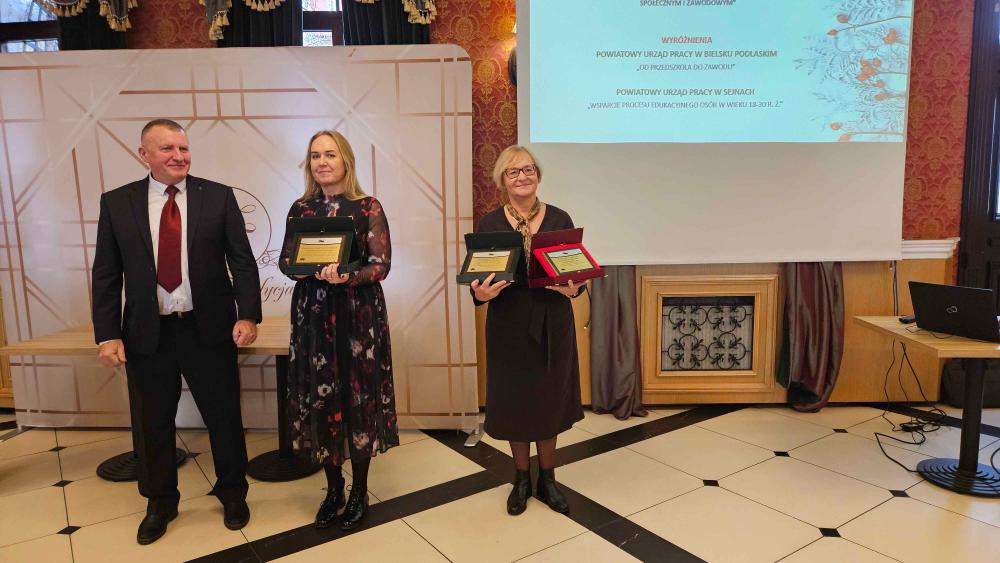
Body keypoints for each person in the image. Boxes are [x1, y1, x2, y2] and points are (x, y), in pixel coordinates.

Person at [91, 119, 262, 544]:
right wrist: (107, 334)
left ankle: (233, 493)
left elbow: (242, 262)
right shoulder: (117, 203)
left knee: (224, 417)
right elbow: (107, 274)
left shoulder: (218, 196)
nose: (178, 156)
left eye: (183, 148)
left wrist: (248, 315)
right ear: (144, 154)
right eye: (167, 148)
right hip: (148, 333)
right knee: (152, 423)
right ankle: (160, 502)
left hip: (209, 329)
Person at [279, 130, 399, 531]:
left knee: (357, 398)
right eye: (315, 155)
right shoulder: (300, 208)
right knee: (322, 399)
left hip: (356, 314)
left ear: (346, 160)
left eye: (330, 154)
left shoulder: (367, 206)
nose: (322, 162)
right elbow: (286, 261)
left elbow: (380, 264)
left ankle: (359, 491)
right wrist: (305, 270)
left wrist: (346, 275)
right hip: (313, 316)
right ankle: (333, 490)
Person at [471, 145, 585, 516]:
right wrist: (480, 293)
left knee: (549, 400)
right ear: (502, 180)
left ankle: (547, 479)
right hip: (508, 322)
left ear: (538, 175)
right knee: (515, 401)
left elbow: (574, 273)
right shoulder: (489, 224)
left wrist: (574, 288)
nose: (522, 176)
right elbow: (478, 280)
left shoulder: (560, 218)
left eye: (528, 169)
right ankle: (521, 479)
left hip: (553, 321)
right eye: (513, 171)